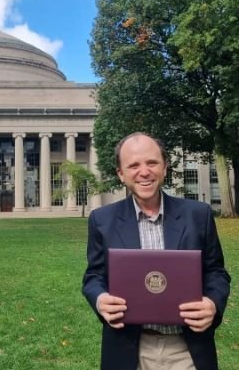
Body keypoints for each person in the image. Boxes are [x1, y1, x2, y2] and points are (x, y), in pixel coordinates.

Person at [82, 132, 231, 370]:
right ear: (121, 174)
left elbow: (216, 272)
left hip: (188, 349)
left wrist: (213, 303)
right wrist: (100, 300)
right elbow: (94, 276)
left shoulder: (198, 215)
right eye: (133, 165)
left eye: (152, 162)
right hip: (128, 350)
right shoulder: (102, 220)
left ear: (165, 167)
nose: (144, 172)